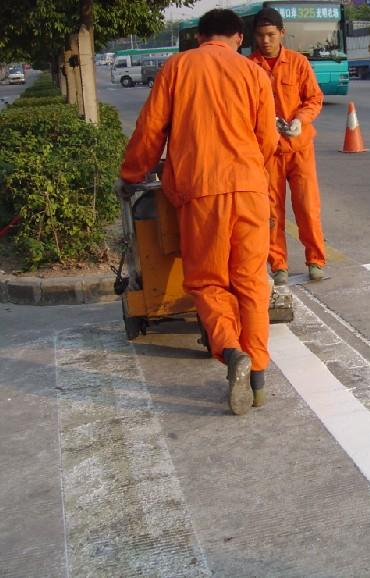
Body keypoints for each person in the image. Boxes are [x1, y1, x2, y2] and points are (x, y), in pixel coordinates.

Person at [117, 9, 279, 415]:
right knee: (251, 282)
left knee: (207, 281)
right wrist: (244, 172)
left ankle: (229, 351)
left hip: (201, 193)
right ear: (238, 38)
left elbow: (151, 129)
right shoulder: (254, 73)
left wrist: (131, 173)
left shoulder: (178, 67)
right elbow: (268, 140)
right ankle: (257, 377)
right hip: (249, 188)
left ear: (199, 36)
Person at [249, 7, 327, 285]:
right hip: (267, 152)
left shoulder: (298, 63)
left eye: (271, 35)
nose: (266, 41)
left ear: (282, 34)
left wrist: (300, 120)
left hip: (300, 147)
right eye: (261, 35)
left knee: (307, 207)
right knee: (270, 212)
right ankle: (278, 264)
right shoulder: (248, 68)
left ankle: (315, 260)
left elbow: (314, 98)